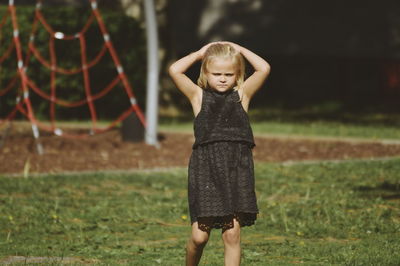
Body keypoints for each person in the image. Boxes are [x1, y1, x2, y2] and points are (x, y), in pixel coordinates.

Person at [169, 42, 271, 266]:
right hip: (206, 169)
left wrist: (238, 49)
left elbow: (263, 68)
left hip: (237, 168)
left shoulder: (242, 96)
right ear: (205, 73)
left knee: (232, 234)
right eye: (216, 73)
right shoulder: (198, 96)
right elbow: (175, 70)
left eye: (228, 74)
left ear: (238, 75)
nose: (223, 78)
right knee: (199, 237)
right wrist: (198, 54)